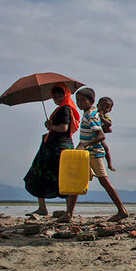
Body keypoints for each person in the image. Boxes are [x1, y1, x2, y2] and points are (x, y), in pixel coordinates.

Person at [68, 87, 129, 223]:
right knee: (76, 181)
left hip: (94, 153)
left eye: (83, 101)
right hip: (86, 154)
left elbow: (101, 136)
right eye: (77, 100)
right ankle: (68, 214)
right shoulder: (89, 113)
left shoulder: (91, 115)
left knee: (104, 181)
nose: (79, 103)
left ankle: (122, 210)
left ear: (92, 101)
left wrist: (84, 144)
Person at [24, 83, 80, 216]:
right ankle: (45, 208)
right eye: (55, 97)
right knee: (42, 174)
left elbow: (64, 128)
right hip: (53, 147)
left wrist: (51, 126)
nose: (58, 99)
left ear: (65, 95)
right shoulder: (62, 109)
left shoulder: (65, 109)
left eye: (60, 96)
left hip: (58, 148)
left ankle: (64, 210)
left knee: (61, 176)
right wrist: (50, 126)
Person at [97, 97, 116, 172]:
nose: (103, 108)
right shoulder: (94, 114)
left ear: (110, 109)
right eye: (102, 106)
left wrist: (102, 119)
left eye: (107, 107)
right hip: (92, 135)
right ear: (98, 105)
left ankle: (109, 165)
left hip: (99, 136)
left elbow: (109, 124)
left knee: (106, 149)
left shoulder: (105, 116)